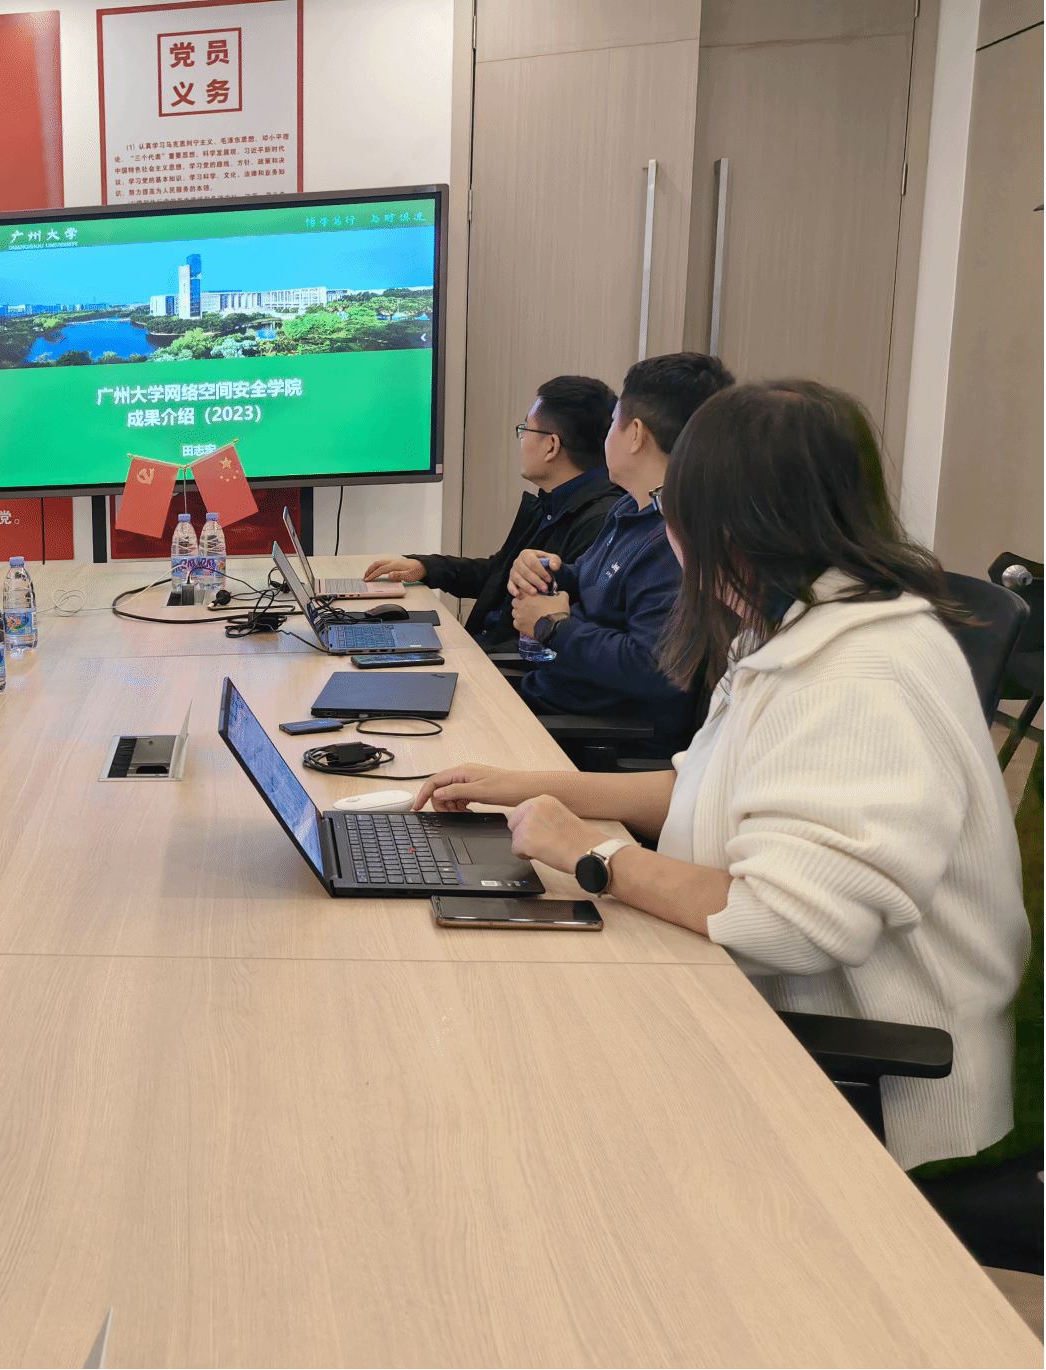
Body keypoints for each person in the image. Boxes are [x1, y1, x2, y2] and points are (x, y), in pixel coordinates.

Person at [418, 381, 1028, 1170]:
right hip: (742, 1001)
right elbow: (706, 791)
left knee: (516, 1100)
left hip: (865, 1092)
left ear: (726, 525)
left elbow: (789, 922)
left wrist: (596, 856)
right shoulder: (794, 623)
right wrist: (529, 785)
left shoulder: (860, 674)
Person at [505, 352, 735, 748]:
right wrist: (547, 571)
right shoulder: (630, 507)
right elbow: (595, 583)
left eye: (614, 423)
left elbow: (655, 668)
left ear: (636, 434)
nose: (606, 437)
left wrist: (554, 627)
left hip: (589, 733)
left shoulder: (674, 540)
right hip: (550, 700)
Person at [365, 375, 621, 645]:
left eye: (525, 430)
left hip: (505, 663)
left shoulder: (600, 522)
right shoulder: (551, 503)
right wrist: (426, 567)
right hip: (487, 652)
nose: (522, 440)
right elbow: (497, 573)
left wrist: (466, 656)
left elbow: (560, 639)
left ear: (551, 446)